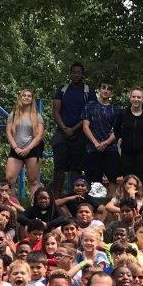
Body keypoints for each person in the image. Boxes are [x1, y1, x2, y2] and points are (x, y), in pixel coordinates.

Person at [50, 62, 96, 199]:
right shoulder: (63, 89)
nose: (76, 74)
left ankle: (74, 196)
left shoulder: (88, 91)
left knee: (76, 167)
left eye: (78, 72)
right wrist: (64, 128)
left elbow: (89, 112)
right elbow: (56, 110)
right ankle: (56, 196)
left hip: (80, 133)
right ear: (70, 73)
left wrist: (74, 129)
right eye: (73, 72)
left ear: (82, 74)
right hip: (62, 132)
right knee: (59, 166)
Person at [81, 81, 122, 194]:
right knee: (93, 178)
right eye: (103, 88)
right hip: (92, 148)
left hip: (110, 148)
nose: (105, 91)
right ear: (99, 89)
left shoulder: (115, 110)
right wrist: (96, 143)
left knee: (113, 177)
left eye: (108, 89)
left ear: (111, 92)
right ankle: (94, 204)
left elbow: (117, 130)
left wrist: (106, 143)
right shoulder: (90, 106)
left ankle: (113, 203)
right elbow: (85, 126)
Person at [5, 88, 45, 195]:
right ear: (20, 98)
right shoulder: (13, 115)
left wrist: (28, 148)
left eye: (29, 96)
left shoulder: (37, 116)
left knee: (33, 180)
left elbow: (39, 135)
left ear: (32, 99)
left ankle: (34, 205)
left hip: (32, 149)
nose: (26, 97)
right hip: (16, 149)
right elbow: (8, 132)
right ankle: (12, 206)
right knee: (9, 179)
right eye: (24, 95)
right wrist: (15, 148)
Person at [117, 87, 143, 182]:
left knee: (140, 178)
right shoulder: (123, 113)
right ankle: (127, 197)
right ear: (130, 98)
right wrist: (119, 138)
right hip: (127, 151)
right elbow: (116, 127)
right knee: (127, 178)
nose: (136, 99)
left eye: (139, 97)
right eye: (133, 96)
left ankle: (140, 196)